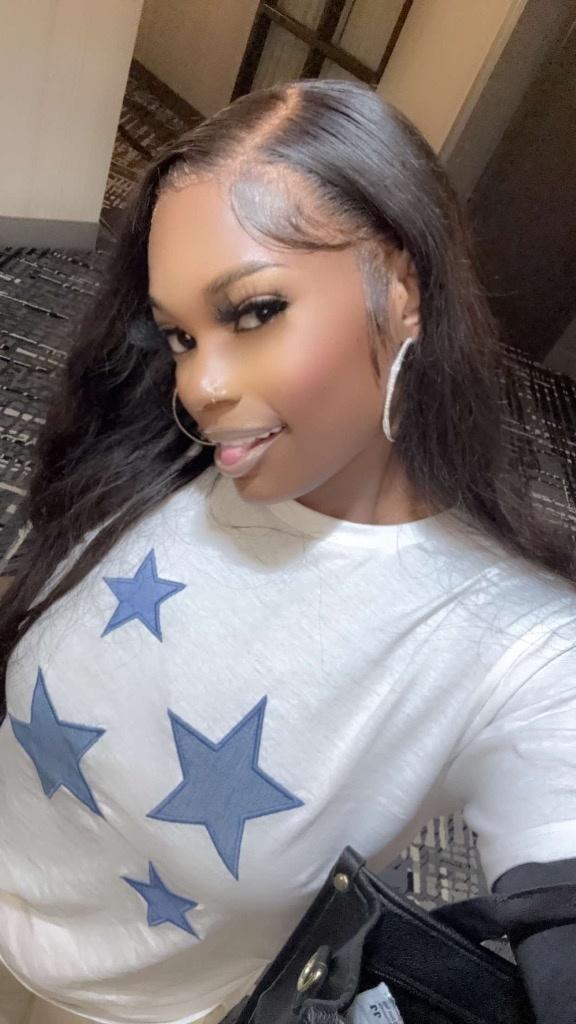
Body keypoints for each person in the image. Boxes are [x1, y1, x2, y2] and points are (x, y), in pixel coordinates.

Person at [0, 78, 574, 1024]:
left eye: (254, 311)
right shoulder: (156, 456)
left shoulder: (526, 649)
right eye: (180, 335)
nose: (201, 385)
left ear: (404, 288)